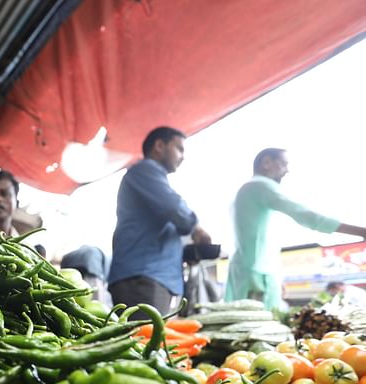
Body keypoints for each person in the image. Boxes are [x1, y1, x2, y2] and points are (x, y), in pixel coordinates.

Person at [226, 148, 366, 310]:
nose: (287, 170)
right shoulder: (259, 186)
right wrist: (361, 231)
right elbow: (307, 216)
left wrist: (278, 278)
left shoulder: (245, 191)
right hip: (257, 274)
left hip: (248, 271)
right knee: (256, 328)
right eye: (284, 164)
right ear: (266, 163)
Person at [108, 126, 212, 315]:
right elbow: (175, 209)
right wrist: (196, 228)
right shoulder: (144, 170)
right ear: (159, 145)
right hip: (143, 277)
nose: (182, 156)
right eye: (179, 148)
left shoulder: (150, 179)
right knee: (145, 339)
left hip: (150, 277)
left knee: (149, 339)